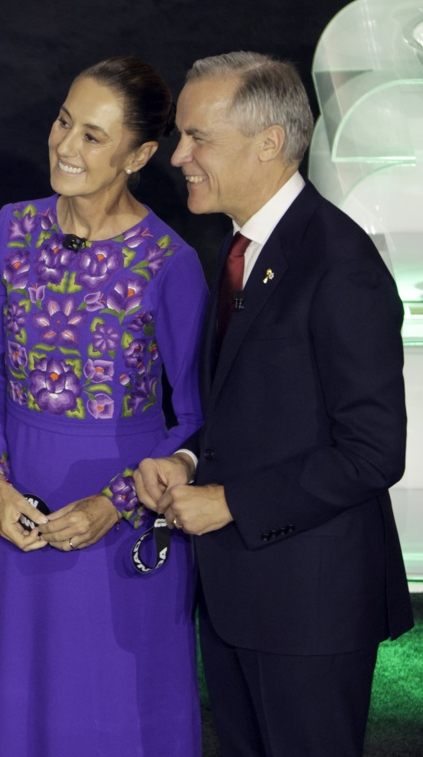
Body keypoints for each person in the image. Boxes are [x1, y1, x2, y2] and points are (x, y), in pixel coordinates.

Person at [135, 51, 413, 757]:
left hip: (312, 611)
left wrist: (230, 503)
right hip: (244, 601)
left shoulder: (338, 265)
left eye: (198, 137)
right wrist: (190, 460)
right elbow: (256, 411)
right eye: (181, 136)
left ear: (269, 143)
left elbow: (373, 451)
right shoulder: (242, 249)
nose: (178, 156)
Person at [0, 56, 207, 756]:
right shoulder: (10, 231)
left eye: (93, 136)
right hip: (25, 507)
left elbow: (193, 416)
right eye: (65, 121)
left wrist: (120, 502)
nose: (65, 145)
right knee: (27, 703)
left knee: (121, 711)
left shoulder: (169, 262)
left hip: (121, 517)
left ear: (140, 154)